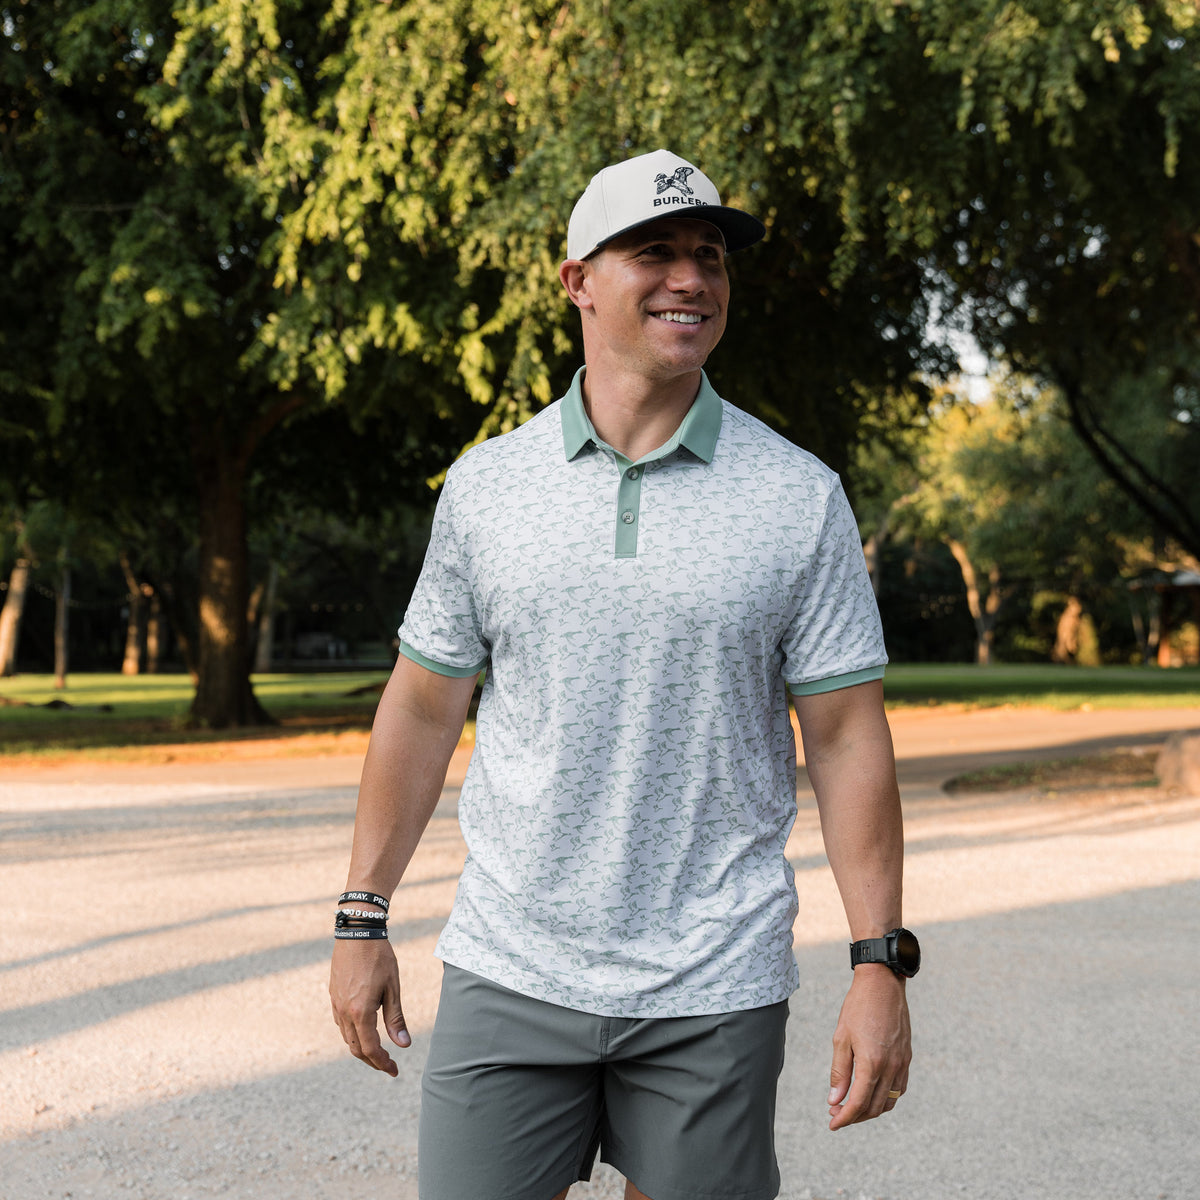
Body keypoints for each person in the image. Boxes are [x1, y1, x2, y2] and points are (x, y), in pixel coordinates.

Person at [329, 148, 917, 1200]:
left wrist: (879, 960)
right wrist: (362, 915)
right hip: (513, 966)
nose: (691, 279)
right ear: (577, 281)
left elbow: (844, 736)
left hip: (713, 980)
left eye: (709, 257)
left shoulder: (797, 497)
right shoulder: (487, 489)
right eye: (655, 252)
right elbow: (421, 710)